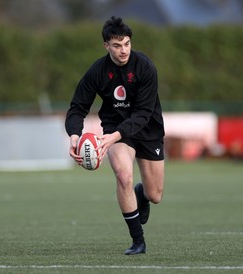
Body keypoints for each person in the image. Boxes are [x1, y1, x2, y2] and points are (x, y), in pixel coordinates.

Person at [65, 16, 165, 254]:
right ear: (106, 46)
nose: (123, 50)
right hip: (116, 127)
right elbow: (77, 107)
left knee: (155, 195)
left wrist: (112, 137)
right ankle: (138, 241)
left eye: (127, 44)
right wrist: (74, 136)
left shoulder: (145, 67)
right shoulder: (97, 71)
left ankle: (141, 194)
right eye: (117, 45)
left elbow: (143, 113)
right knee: (123, 175)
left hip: (147, 127)